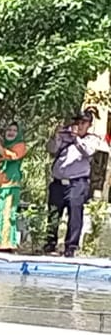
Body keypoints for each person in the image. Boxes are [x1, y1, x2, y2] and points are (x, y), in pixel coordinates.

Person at [44, 110, 110, 257]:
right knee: (54, 213)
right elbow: (51, 149)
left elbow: (87, 152)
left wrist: (75, 139)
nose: (79, 125)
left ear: (89, 125)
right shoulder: (65, 136)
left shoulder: (91, 139)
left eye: (83, 123)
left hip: (77, 183)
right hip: (58, 183)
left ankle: (71, 247)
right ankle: (50, 244)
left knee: (75, 215)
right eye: (77, 122)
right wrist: (56, 136)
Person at [0, 122, 28, 251]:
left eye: (14, 130)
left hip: (9, 186)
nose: (11, 132)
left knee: (7, 213)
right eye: (9, 129)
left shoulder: (20, 146)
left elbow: (11, 156)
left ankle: (6, 244)